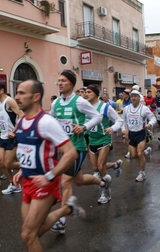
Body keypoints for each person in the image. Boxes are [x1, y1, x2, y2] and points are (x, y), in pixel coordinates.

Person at [12, 79, 85, 252]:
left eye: (22, 93)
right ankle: (67, 209)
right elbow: (28, 150)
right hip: (28, 182)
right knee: (34, 231)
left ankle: (66, 209)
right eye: (17, 92)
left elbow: (71, 153)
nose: (16, 97)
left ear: (36, 96)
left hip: (45, 183)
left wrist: (49, 176)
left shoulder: (46, 122)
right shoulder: (21, 121)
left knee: (28, 235)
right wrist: (23, 170)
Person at [49, 70, 105, 234]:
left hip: (76, 148)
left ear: (71, 84)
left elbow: (98, 116)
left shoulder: (79, 102)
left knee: (65, 182)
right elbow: (51, 121)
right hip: (62, 149)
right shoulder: (55, 103)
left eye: (63, 81)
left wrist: (84, 127)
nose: (60, 83)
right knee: (79, 180)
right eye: (58, 80)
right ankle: (103, 183)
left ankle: (62, 221)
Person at [85, 84, 123, 204]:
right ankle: (114, 165)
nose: (86, 94)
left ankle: (106, 192)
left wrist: (112, 128)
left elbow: (119, 120)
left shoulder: (105, 107)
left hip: (104, 139)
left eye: (89, 92)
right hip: (92, 140)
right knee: (95, 167)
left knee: (101, 167)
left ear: (96, 94)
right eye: (85, 92)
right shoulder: (83, 107)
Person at [0, 82, 23, 193]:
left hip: (12, 137)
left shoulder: (9, 101)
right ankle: (14, 184)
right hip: (3, 137)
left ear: (1, 90)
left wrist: (15, 132)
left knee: (8, 163)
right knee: (1, 162)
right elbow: (0, 123)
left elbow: (21, 116)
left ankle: (31, 166)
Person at [122, 90, 156, 182]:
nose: (133, 98)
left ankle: (142, 173)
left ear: (139, 97)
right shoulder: (126, 109)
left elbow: (153, 118)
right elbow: (123, 121)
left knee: (139, 154)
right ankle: (146, 152)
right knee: (133, 156)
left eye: (135, 96)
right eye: (132, 96)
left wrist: (150, 124)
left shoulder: (144, 108)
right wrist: (124, 130)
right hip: (131, 134)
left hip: (141, 133)